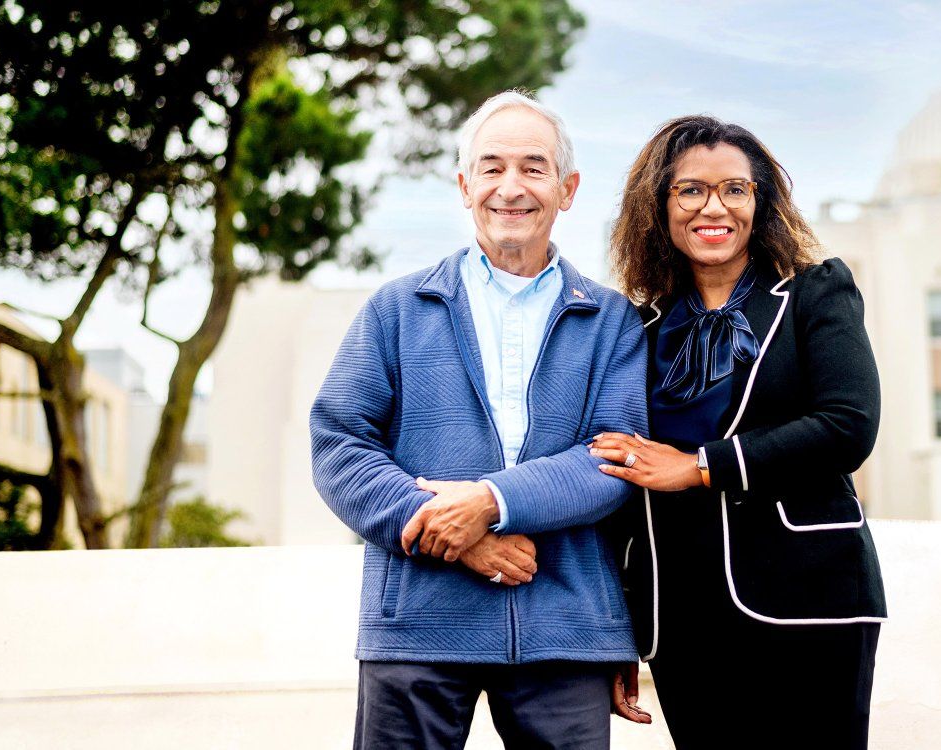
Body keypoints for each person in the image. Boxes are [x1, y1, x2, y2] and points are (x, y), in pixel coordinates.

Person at [310, 90, 651, 749]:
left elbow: (614, 460)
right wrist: (456, 534)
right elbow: (338, 444)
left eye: (533, 167)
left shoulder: (614, 323)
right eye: (491, 168)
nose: (511, 187)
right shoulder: (396, 309)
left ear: (568, 188)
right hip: (417, 623)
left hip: (567, 631)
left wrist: (490, 502)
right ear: (464, 186)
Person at [591, 115, 888, 749]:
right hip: (680, 616)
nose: (714, 207)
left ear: (761, 201)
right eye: (690, 190)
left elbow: (848, 426)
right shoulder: (636, 331)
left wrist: (699, 466)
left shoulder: (815, 294)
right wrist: (617, 631)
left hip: (810, 596)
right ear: (659, 207)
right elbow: (621, 479)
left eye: (735, 188)